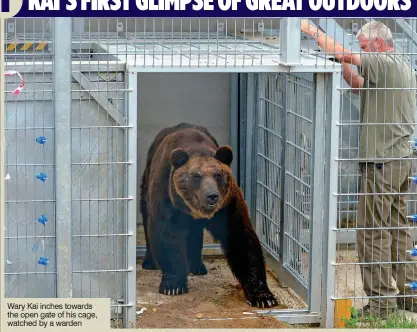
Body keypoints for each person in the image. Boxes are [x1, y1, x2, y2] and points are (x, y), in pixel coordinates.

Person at [301, 20, 417, 317]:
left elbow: (349, 56)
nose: (360, 51)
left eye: (364, 47)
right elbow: (355, 82)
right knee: (397, 228)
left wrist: (311, 31)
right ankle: (409, 295)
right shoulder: (398, 67)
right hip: (400, 159)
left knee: (371, 233)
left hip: (382, 161)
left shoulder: (385, 62)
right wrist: (340, 62)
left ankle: (381, 306)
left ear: (378, 44)